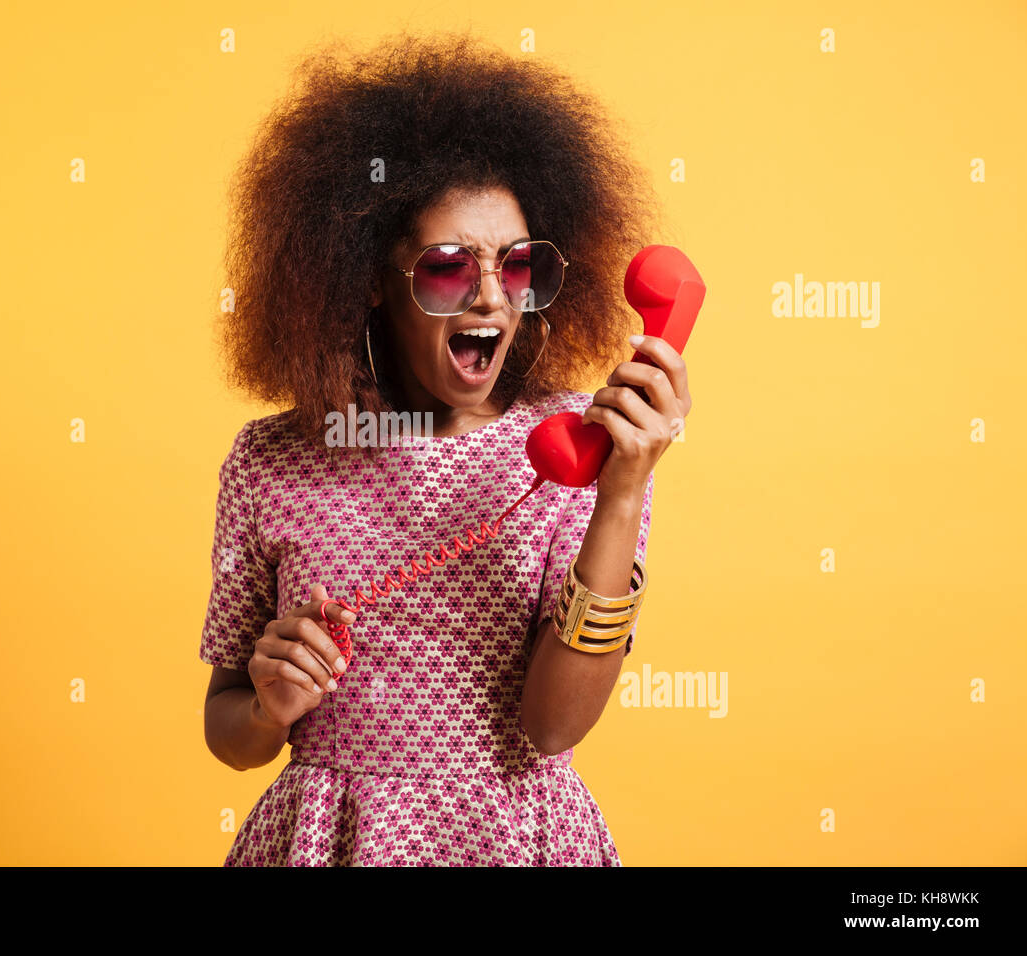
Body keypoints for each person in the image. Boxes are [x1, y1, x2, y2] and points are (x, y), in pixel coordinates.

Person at [199, 30, 692, 865]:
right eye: (449, 268)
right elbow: (228, 732)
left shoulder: (583, 444)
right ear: (366, 277)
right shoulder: (271, 462)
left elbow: (552, 727)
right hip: (331, 843)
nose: (494, 298)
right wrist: (269, 706)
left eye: (518, 265)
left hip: (518, 839)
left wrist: (622, 489)